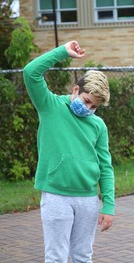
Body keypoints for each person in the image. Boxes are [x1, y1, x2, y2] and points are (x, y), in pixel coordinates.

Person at [23, 40, 115, 262]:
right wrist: (63, 52)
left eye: (94, 107)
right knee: (56, 257)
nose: (89, 109)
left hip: (88, 199)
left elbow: (105, 165)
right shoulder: (50, 106)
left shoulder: (98, 125)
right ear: (76, 90)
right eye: (86, 101)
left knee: (83, 256)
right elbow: (30, 73)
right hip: (56, 197)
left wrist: (109, 204)